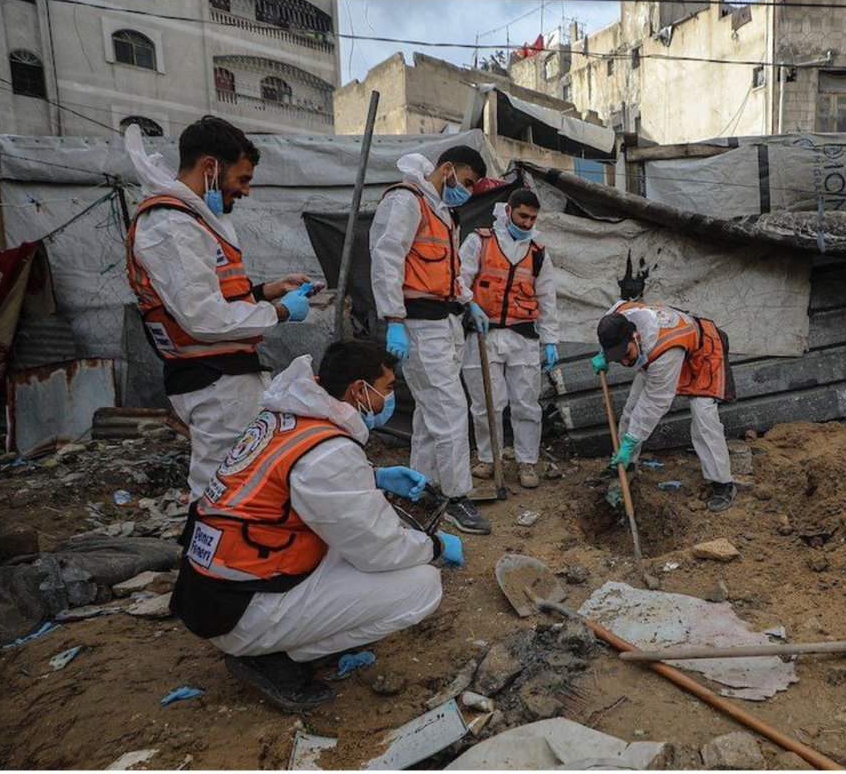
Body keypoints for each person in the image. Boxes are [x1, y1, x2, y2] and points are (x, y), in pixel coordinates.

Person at [170, 340, 464, 712]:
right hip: (239, 610)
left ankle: (278, 640)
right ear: (359, 390)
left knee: (346, 544)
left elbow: (297, 480)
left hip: (213, 588)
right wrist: (436, 546)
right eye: (387, 388)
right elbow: (381, 549)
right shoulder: (329, 451)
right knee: (422, 584)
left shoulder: (283, 419)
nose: (389, 398)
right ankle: (273, 657)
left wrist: (373, 476)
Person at [124, 117, 319, 502]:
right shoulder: (171, 223)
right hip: (213, 380)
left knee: (241, 481)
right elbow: (202, 317)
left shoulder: (193, 220)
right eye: (242, 179)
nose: (245, 190)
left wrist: (264, 292)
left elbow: (212, 295)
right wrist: (278, 312)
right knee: (223, 490)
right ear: (210, 167)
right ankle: (207, 542)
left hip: (223, 376)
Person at [369, 146, 491, 534]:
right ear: (447, 169)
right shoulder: (408, 200)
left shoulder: (443, 213)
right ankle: (455, 496)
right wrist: (393, 319)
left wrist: (469, 302)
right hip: (419, 323)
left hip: (444, 320)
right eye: (466, 182)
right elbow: (387, 259)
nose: (466, 192)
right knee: (451, 410)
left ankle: (420, 488)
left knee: (428, 413)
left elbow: (448, 271)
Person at [592, 301, 736, 511]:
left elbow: (654, 402)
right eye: (617, 358)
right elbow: (614, 334)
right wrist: (604, 355)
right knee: (631, 409)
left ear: (636, 336)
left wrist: (631, 439)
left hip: (702, 352)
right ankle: (625, 464)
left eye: (626, 354)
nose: (624, 363)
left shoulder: (663, 350)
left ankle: (723, 483)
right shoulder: (618, 317)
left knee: (704, 419)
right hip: (659, 352)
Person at [459, 189, 558, 489]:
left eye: (532, 218)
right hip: (482, 333)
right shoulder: (480, 241)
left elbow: (547, 298)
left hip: (523, 336)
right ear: (508, 211)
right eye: (522, 216)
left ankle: (527, 461)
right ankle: (489, 458)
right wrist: (469, 304)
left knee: (526, 402)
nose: (527, 223)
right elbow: (459, 279)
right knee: (485, 403)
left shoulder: (538, 252)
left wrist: (550, 340)